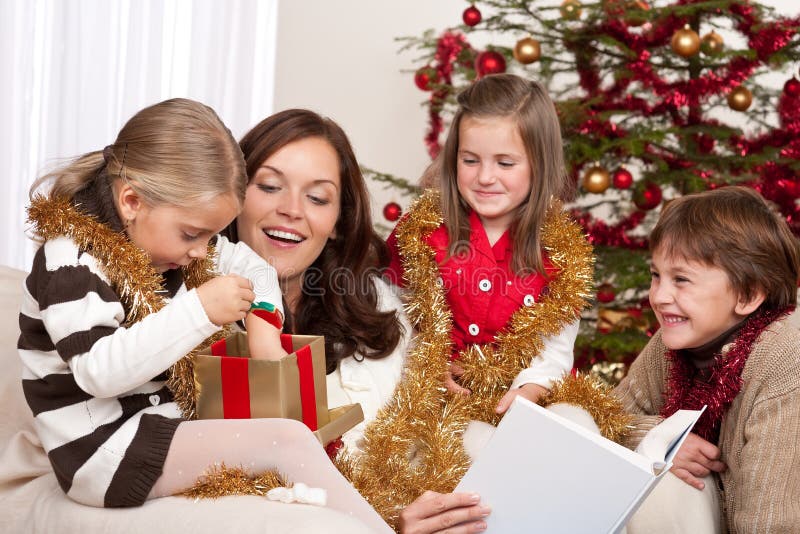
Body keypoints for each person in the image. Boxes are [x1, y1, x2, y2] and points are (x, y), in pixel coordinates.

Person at [17, 98, 388, 532]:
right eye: (193, 234)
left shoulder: (173, 246)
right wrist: (200, 310)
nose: (201, 251)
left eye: (211, 235)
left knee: (286, 444)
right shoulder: (71, 261)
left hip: (161, 429)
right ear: (132, 201)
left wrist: (264, 329)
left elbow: (252, 266)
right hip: (103, 453)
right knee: (287, 440)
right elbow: (98, 371)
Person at [385, 72, 589, 411]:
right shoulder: (421, 231)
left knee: (573, 423)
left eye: (505, 163)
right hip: (436, 402)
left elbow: (556, 345)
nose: (484, 177)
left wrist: (531, 390)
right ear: (454, 158)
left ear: (539, 165)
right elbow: (390, 308)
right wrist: (425, 362)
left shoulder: (559, 251)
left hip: (525, 401)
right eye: (470, 160)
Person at [222, 108, 412, 455]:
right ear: (233, 196)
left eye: (317, 198)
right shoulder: (181, 304)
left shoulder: (378, 308)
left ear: (339, 220)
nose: (292, 209)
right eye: (269, 186)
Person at [614, 186, 800, 533]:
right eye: (656, 276)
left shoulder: (787, 360)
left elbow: (771, 521)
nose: (658, 296)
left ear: (746, 295)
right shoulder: (674, 342)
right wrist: (658, 437)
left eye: (681, 280)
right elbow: (609, 419)